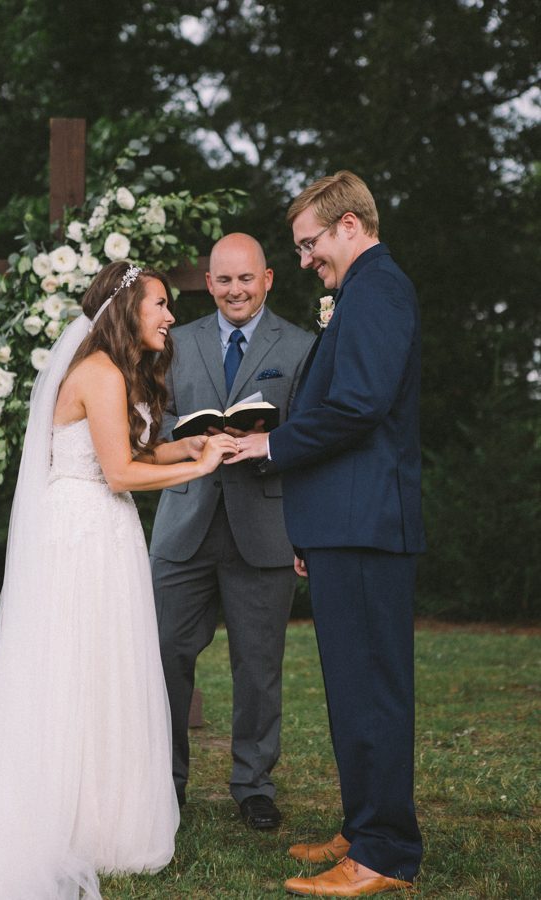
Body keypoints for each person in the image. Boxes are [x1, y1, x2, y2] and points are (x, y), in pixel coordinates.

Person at [0, 261, 237, 900]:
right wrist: (204, 466)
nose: (169, 316)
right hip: (82, 535)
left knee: (104, 667)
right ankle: (73, 816)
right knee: (79, 666)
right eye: (159, 304)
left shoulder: (117, 374)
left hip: (103, 532)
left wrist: (182, 447)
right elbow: (119, 474)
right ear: (128, 309)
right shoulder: (100, 373)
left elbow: (131, 451)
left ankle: (100, 817)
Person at [227, 172, 426, 896]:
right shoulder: (361, 290)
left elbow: (359, 404)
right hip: (347, 524)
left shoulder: (378, 288)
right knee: (351, 688)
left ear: (349, 226)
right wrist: (312, 530)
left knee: (374, 690)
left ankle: (385, 854)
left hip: (369, 523)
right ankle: (362, 824)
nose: (307, 259)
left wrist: (270, 445)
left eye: (311, 244)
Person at [149, 233, 314, 828]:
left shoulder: (298, 346)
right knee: (165, 658)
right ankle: (165, 783)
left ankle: (254, 786)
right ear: (208, 281)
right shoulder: (178, 340)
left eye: (246, 279)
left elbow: (310, 436)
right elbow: (153, 418)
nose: (234, 290)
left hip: (265, 524)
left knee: (259, 664)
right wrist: (188, 439)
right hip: (183, 525)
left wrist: (262, 448)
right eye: (222, 280)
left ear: (268, 279)